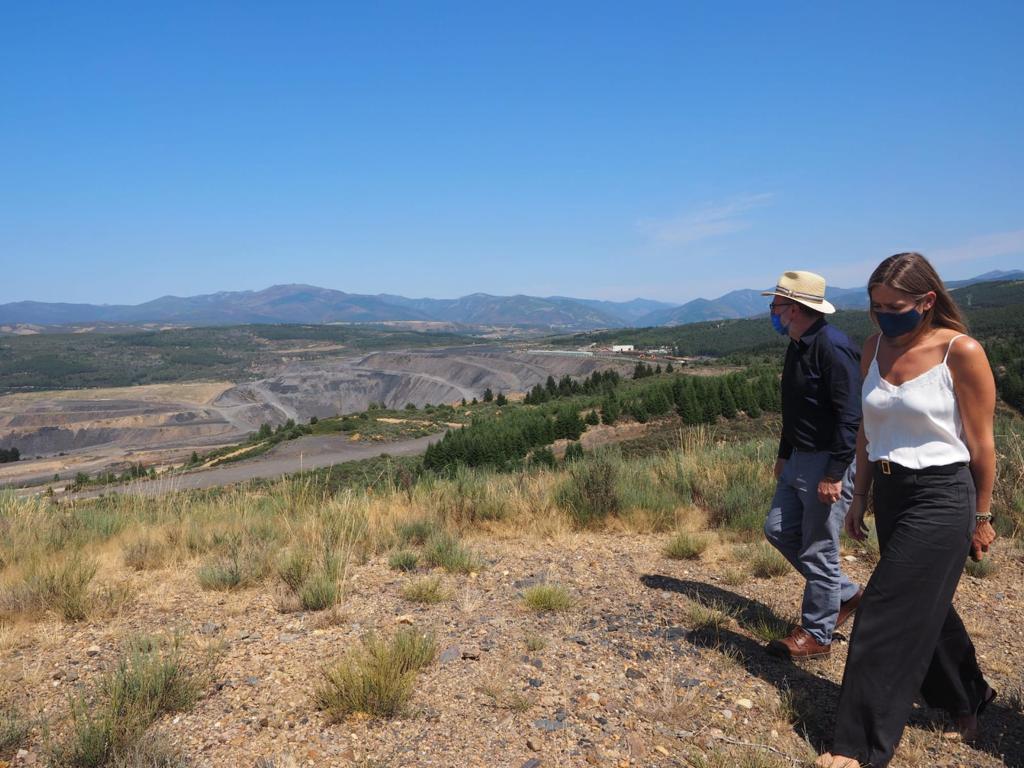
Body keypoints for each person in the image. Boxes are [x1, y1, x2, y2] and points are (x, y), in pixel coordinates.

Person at [816, 253, 998, 768]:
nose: (882, 316)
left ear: (927, 301)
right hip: (893, 491)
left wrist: (982, 518)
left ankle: (856, 747)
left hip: (943, 495)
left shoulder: (959, 351)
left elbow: (983, 446)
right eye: (874, 307)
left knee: (882, 613)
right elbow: (867, 433)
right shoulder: (872, 348)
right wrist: (861, 496)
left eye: (893, 306)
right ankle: (968, 695)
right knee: (926, 603)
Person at [762, 271, 864, 659]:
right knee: (777, 529)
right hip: (799, 459)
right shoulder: (799, 343)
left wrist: (834, 473)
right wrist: (784, 454)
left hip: (826, 462)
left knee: (820, 548)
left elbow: (850, 416)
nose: (771, 312)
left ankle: (817, 633)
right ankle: (846, 593)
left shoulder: (832, 348)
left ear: (792, 309)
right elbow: (796, 409)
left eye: (774, 305)